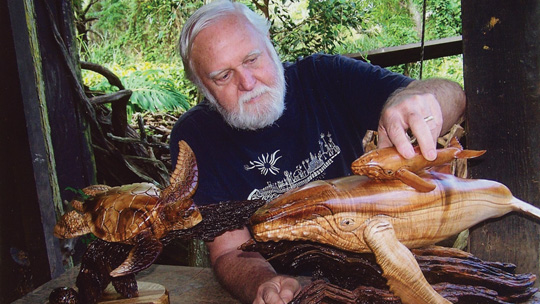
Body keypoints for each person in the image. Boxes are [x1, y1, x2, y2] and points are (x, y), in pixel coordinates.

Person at [169, 1, 466, 303]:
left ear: (270, 45)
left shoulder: (324, 77)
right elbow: (230, 249)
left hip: (376, 263)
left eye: (252, 59)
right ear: (203, 88)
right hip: (290, 283)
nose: (247, 82)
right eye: (223, 76)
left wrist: (417, 100)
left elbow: (452, 96)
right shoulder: (194, 139)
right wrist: (266, 284)